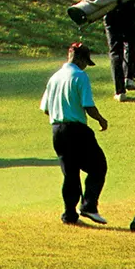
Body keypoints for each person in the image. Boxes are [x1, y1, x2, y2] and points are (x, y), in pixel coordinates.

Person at [40, 39, 109, 227]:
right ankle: (89, 205)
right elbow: (88, 105)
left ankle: (70, 215)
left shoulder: (54, 78)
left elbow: (45, 108)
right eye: (86, 62)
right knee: (98, 166)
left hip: (57, 131)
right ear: (79, 59)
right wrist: (101, 120)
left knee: (70, 173)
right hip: (76, 129)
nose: (86, 66)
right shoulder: (80, 76)